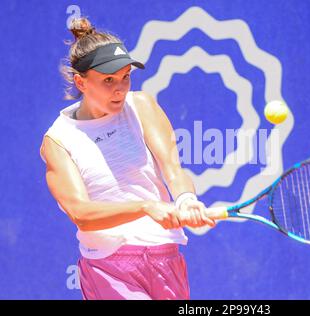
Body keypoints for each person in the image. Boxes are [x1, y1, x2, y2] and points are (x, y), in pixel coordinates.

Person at [39, 17, 215, 300]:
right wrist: (146, 206)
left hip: (164, 256)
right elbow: (81, 214)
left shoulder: (142, 105)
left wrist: (186, 200)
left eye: (125, 77)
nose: (120, 88)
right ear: (81, 82)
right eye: (108, 80)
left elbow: (174, 170)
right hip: (109, 265)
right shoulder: (58, 140)